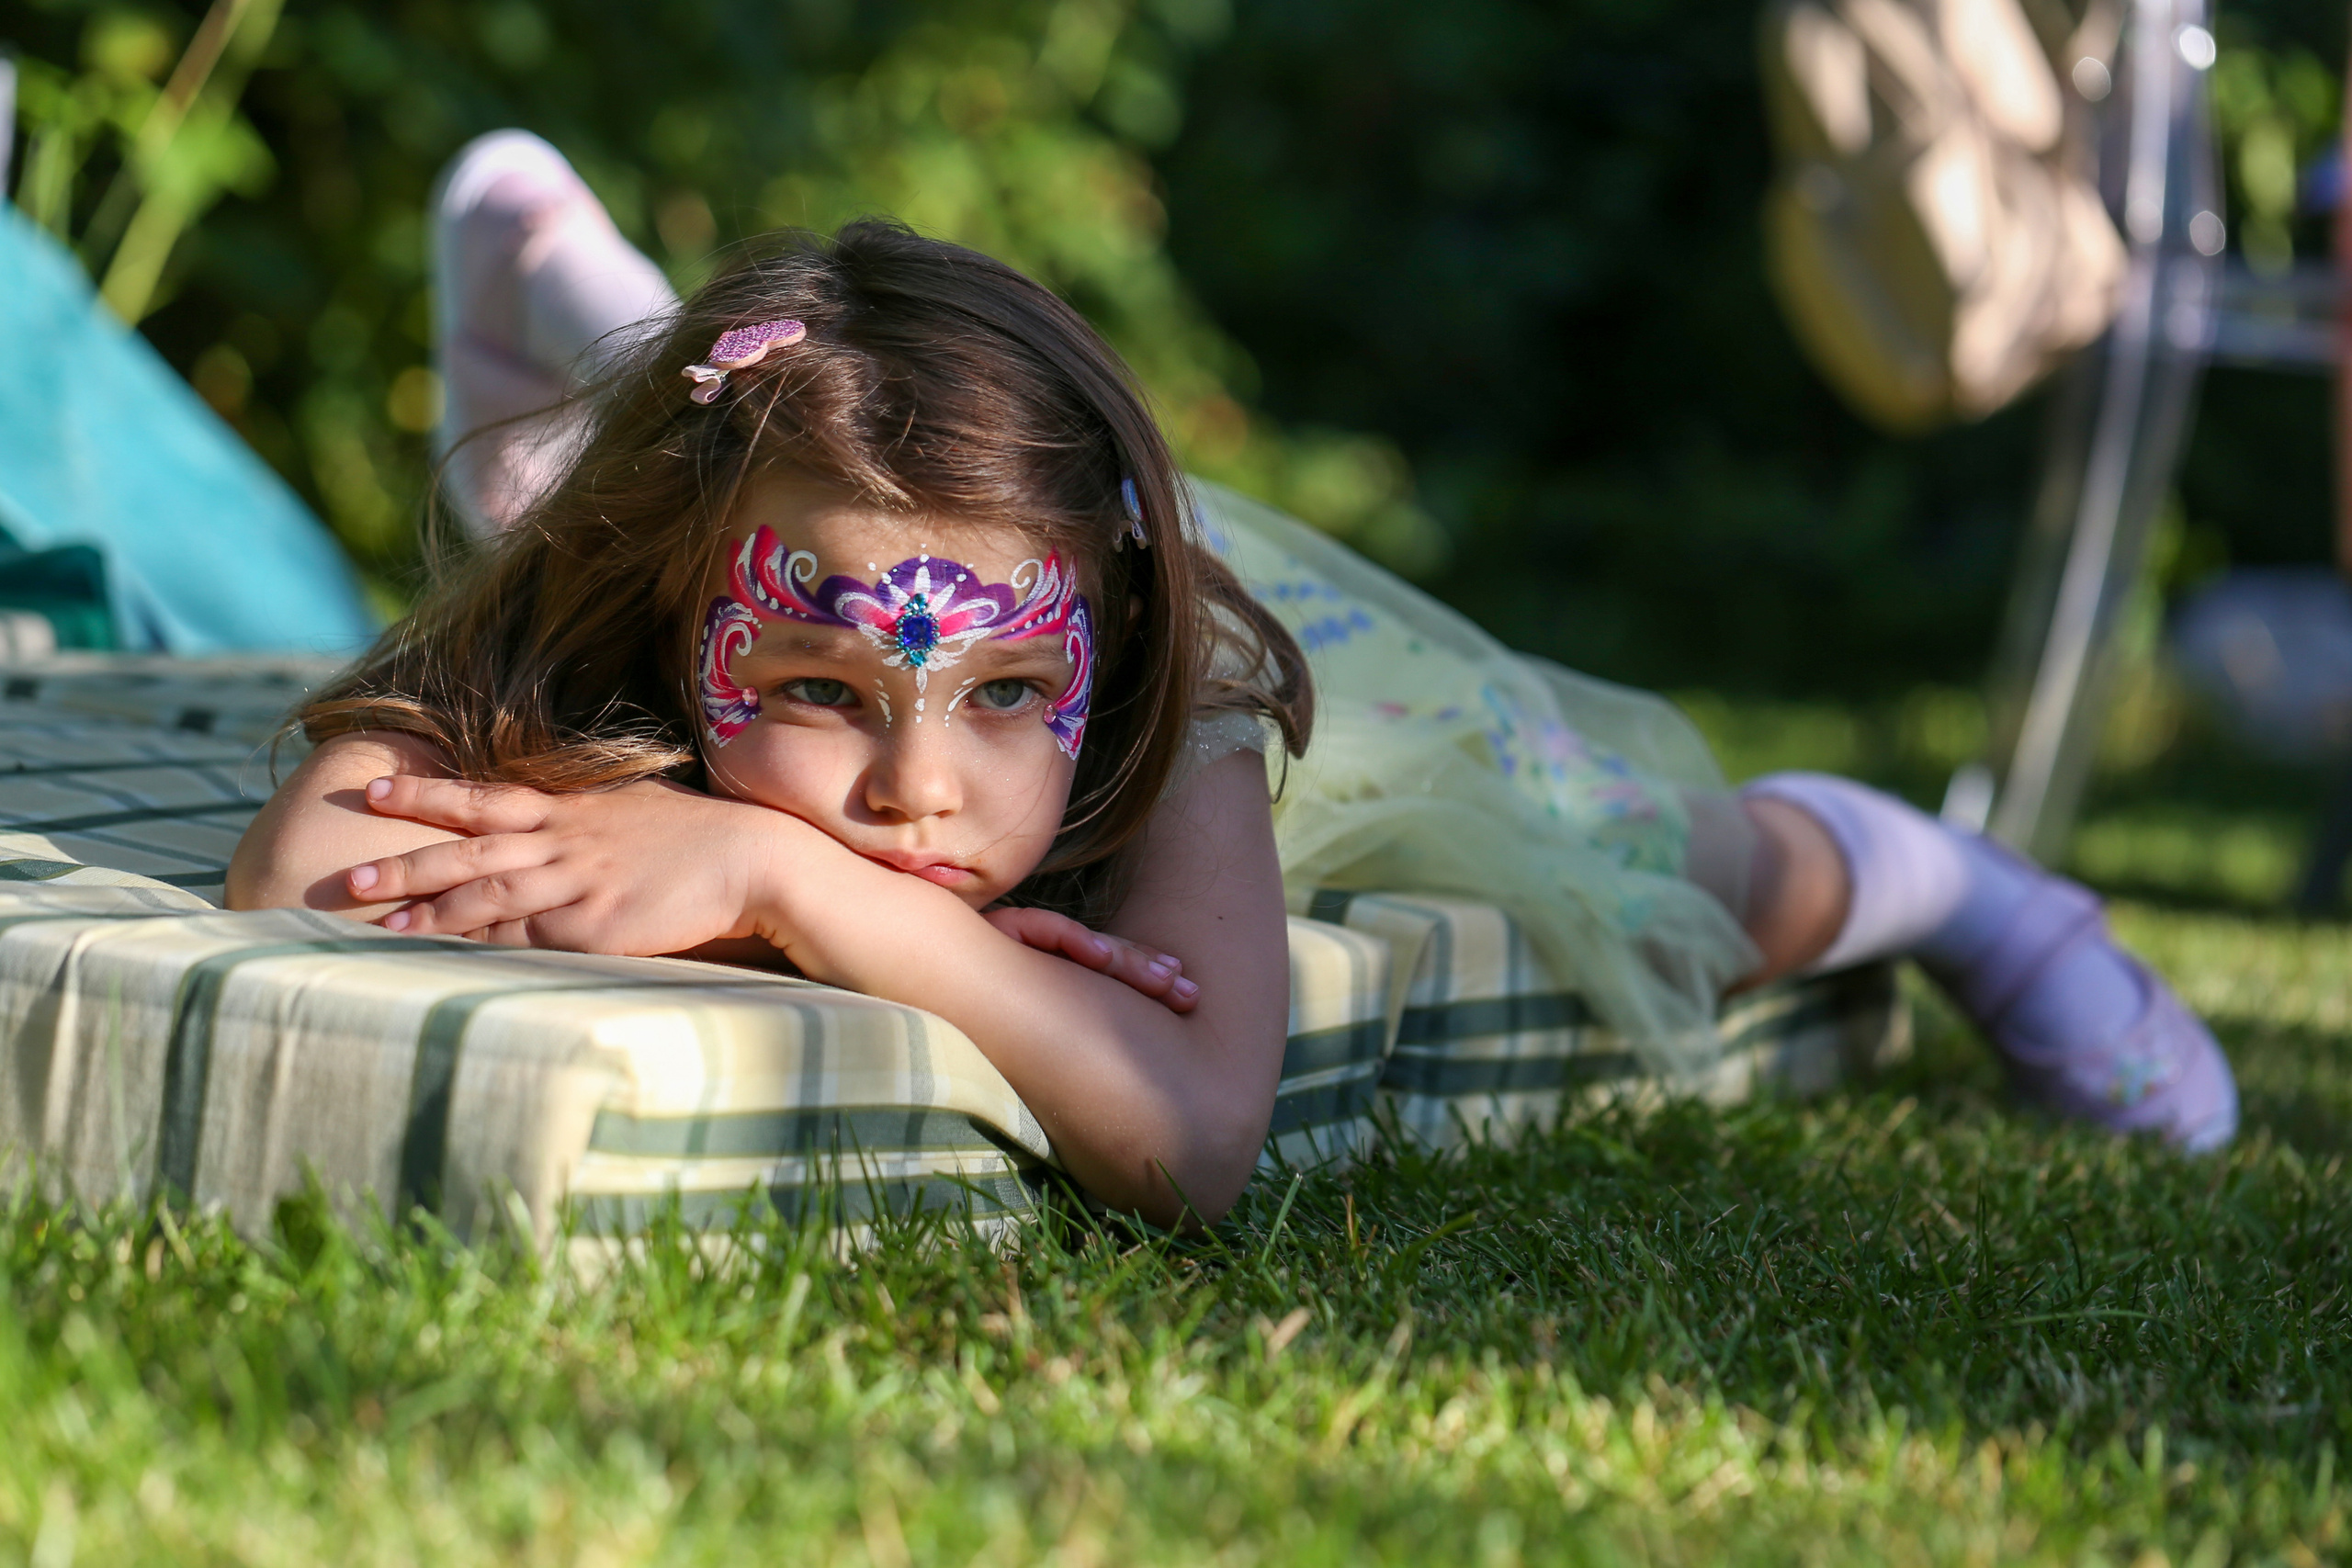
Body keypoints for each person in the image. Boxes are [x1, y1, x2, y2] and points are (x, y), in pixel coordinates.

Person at [225, 133, 2239, 1230]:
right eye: (822, 685)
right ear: (681, 608)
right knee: (684, 463)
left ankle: (1946, 875)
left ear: (1084, 638)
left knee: (1658, 866)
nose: (920, 789)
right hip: (745, 528)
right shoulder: (598, 634)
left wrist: (784, 885)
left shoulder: (1163, 698)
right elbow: (293, 879)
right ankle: (577, 358)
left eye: (1000, 693)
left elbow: (1191, 1143)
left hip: (1353, 702)